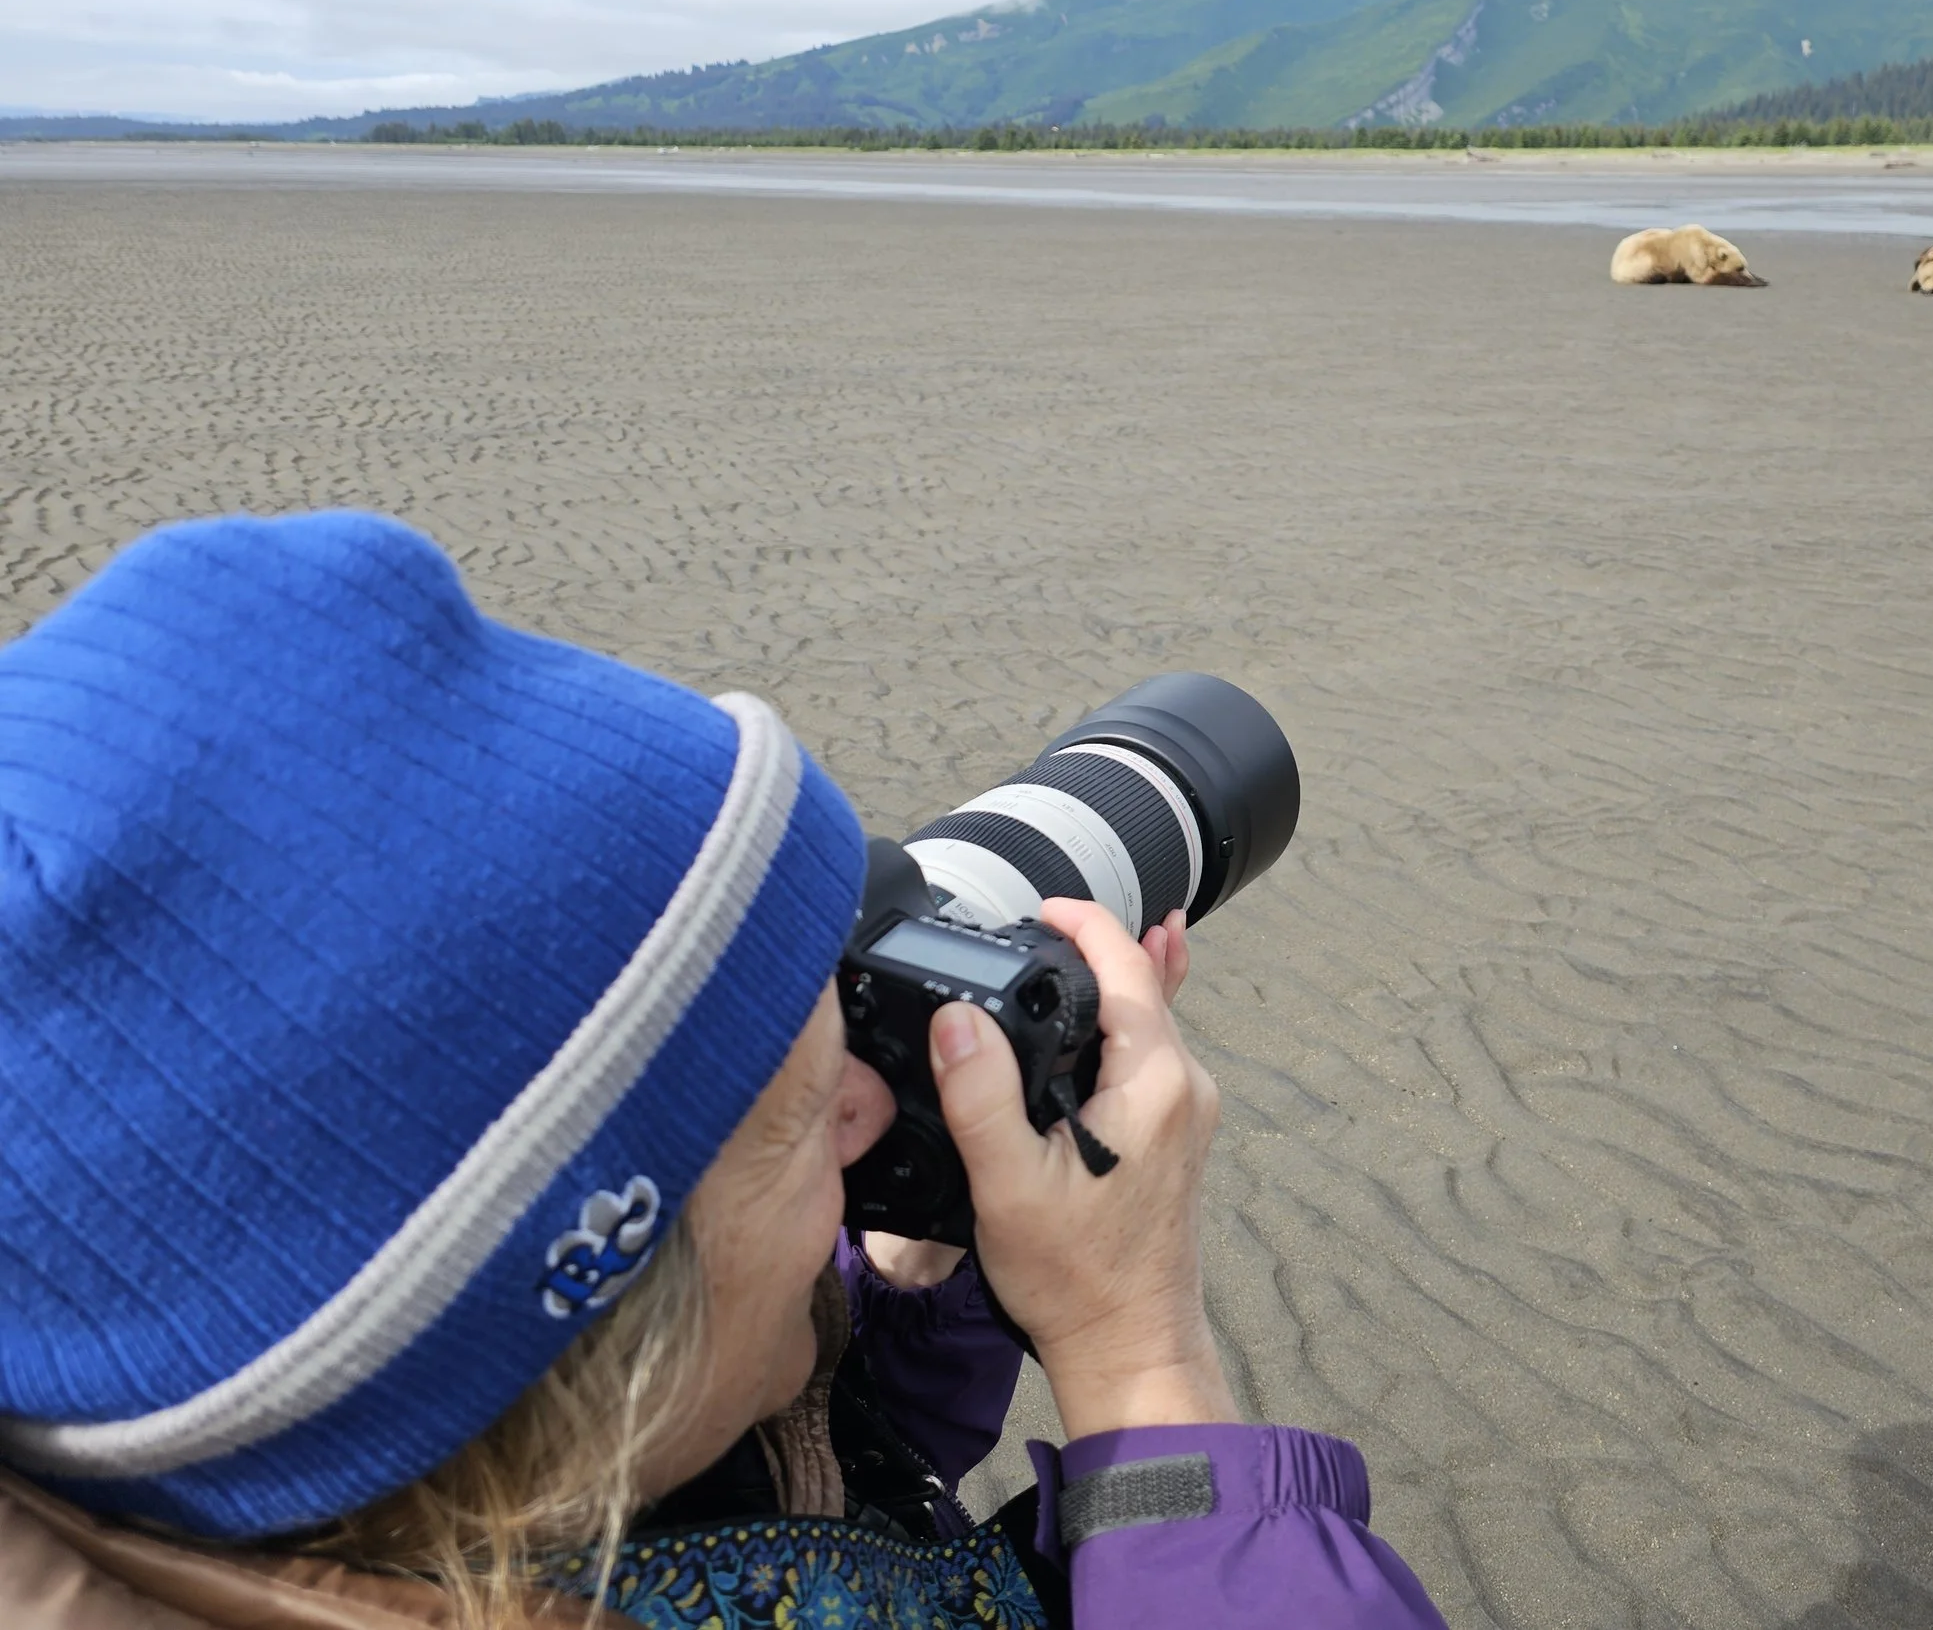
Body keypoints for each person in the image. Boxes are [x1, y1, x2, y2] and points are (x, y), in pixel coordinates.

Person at [0, 510, 1447, 1630]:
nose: (867, 1099)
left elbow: (756, 1475)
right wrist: (1146, 1371)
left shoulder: (389, 1484)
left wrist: (902, 1284)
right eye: (811, 1103)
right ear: (602, 1366)